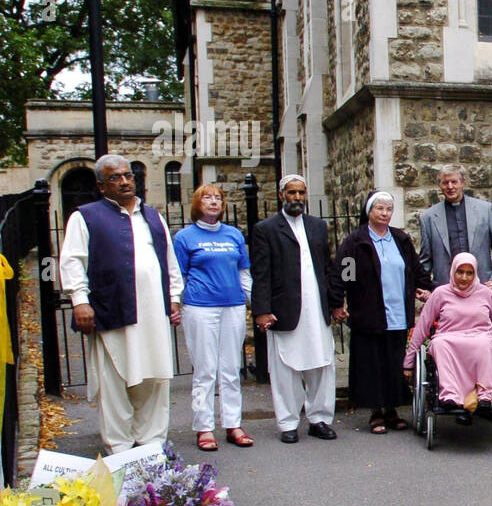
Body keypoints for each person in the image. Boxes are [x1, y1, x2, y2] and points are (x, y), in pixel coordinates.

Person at [59, 154, 184, 453]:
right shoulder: (84, 216)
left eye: (128, 175)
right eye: (115, 177)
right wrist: (79, 300)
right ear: (101, 186)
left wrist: (174, 297)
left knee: (154, 377)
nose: (125, 181)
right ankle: (121, 447)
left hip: (153, 312)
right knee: (114, 380)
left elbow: (169, 260)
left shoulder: (153, 216)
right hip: (110, 308)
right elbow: (72, 261)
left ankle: (151, 442)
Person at [331, 190, 433, 434]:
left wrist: (426, 289)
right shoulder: (355, 242)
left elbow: (415, 269)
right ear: (369, 212)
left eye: (389, 209)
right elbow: (345, 275)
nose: (385, 213)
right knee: (372, 363)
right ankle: (376, 413)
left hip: (397, 311)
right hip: (368, 312)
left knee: (393, 362)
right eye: (380, 208)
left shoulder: (400, 239)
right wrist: (338, 302)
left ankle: (392, 409)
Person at [251, 174, 341, 443]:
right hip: (284, 308)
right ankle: (288, 423)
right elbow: (261, 274)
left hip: (317, 307)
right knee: (285, 368)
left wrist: (336, 303)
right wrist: (261, 310)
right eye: (292, 193)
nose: (297, 198)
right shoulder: (265, 229)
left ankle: (320, 419)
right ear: (282, 195)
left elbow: (328, 268)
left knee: (322, 364)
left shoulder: (317, 227)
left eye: (301, 193)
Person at [173, 184, 254, 451]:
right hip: (200, 307)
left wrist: (252, 300)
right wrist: (176, 303)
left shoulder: (233, 235)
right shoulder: (185, 237)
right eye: (207, 197)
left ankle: (233, 423)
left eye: (218, 198)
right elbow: (179, 275)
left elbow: (244, 271)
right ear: (197, 203)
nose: (213, 202)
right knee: (205, 369)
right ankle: (204, 427)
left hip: (232, 306)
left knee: (231, 369)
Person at [404, 252, 492, 413]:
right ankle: (450, 395)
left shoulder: (486, 293)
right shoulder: (440, 293)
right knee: (439, 344)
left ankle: (485, 396)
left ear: (475, 274)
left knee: (485, 344)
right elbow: (422, 326)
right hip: (449, 337)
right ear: (453, 271)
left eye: (469, 273)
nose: (464, 277)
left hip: (480, 336)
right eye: (460, 272)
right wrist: (409, 361)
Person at [417, 163, 492, 291]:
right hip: (446, 290)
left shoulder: (485, 210)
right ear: (439, 185)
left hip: (482, 287)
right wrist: (424, 287)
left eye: (454, 182)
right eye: (445, 183)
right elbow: (425, 260)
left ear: (462, 182)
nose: (450, 187)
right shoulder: (428, 217)